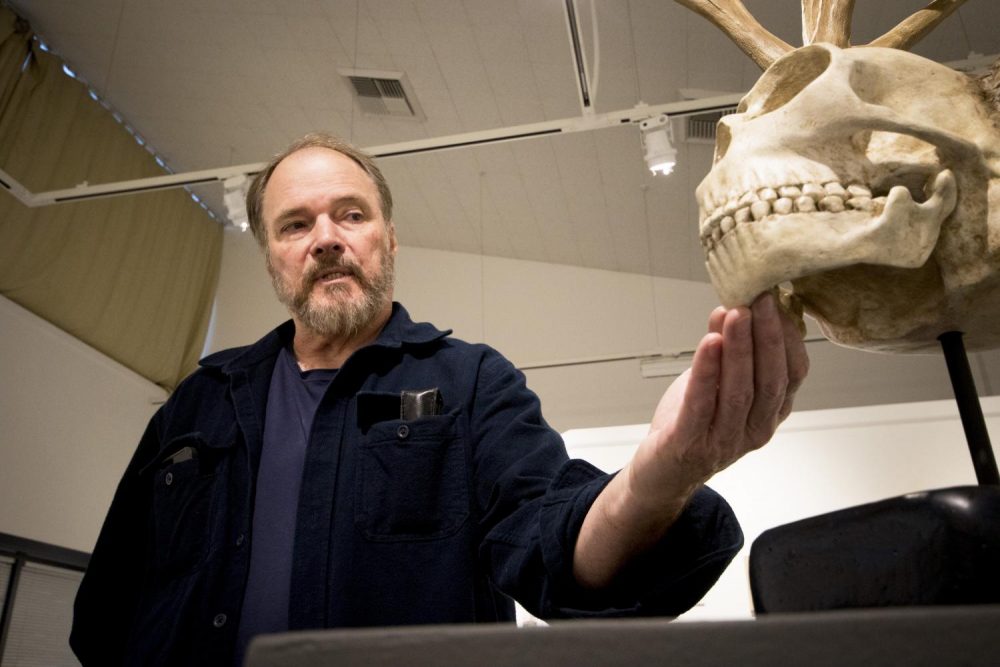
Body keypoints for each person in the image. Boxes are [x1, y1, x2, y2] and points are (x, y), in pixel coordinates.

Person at [70, 133, 808, 666]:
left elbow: (547, 538)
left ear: (389, 239)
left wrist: (658, 481)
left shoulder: (470, 384)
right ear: (270, 254)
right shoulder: (199, 402)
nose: (326, 238)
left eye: (351, 215)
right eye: (296, 224)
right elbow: (108, 609)